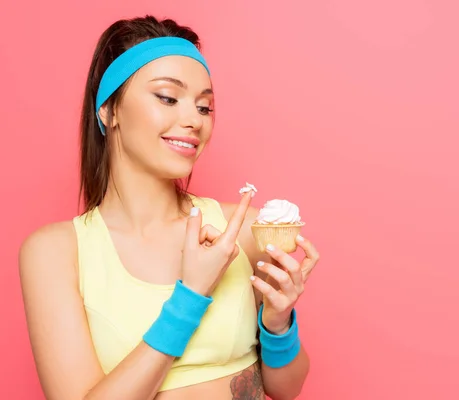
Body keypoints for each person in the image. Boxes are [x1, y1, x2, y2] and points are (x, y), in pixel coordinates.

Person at [19, 15, 319, 400]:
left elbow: (286, 388)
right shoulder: (55, 252)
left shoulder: (242, 229)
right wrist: (192, 294)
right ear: (108, 111)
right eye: (167, 97)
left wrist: (279, 324)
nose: (193, 120)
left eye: (204, 107)